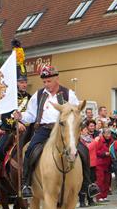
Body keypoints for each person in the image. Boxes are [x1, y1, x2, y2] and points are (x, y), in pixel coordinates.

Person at [14, 65, 99, 199]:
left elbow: (76, 111)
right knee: (30, 150)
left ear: (56, 79)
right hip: (44, 129)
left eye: (49, 81)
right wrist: (21, 117)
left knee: (83, 150)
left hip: (64, 129)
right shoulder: (39, 95)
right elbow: (30, 115)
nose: (46, 84)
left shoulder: (68, 93)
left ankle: (88, 184)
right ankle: (26, 184)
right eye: (44, 82)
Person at [0, 74, 31, 191]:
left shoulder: (30, 98)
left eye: (25, 82)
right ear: (16, 83)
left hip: (28, 131)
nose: (24, 84)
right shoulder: (9, 99)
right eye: (21, 82)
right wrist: (16, 124)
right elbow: (5, 117)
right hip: (12, 131)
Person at [79, 125, 97, 207]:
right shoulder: (80, 140)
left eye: (87, 129)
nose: (87, 131)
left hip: (92, 162)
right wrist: (94, 142)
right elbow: (86, 149)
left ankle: (91, 199)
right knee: (84, 182)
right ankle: (82, 201)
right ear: (81, 131)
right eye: (85, 129)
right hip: (84, 163)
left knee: (91, 182)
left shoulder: (90, 138)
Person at [95, 128, 113, 202]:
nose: (108, 135)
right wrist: (104, 154)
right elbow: (96, 151)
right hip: (100, 163)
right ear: (103, 134)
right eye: (107, 134)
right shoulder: (99, 140)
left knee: (107, 180)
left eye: (109, 133)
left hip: (108, 163)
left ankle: (104, 196)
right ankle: (99, 197)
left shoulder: (112, 141)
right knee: (100, 180)